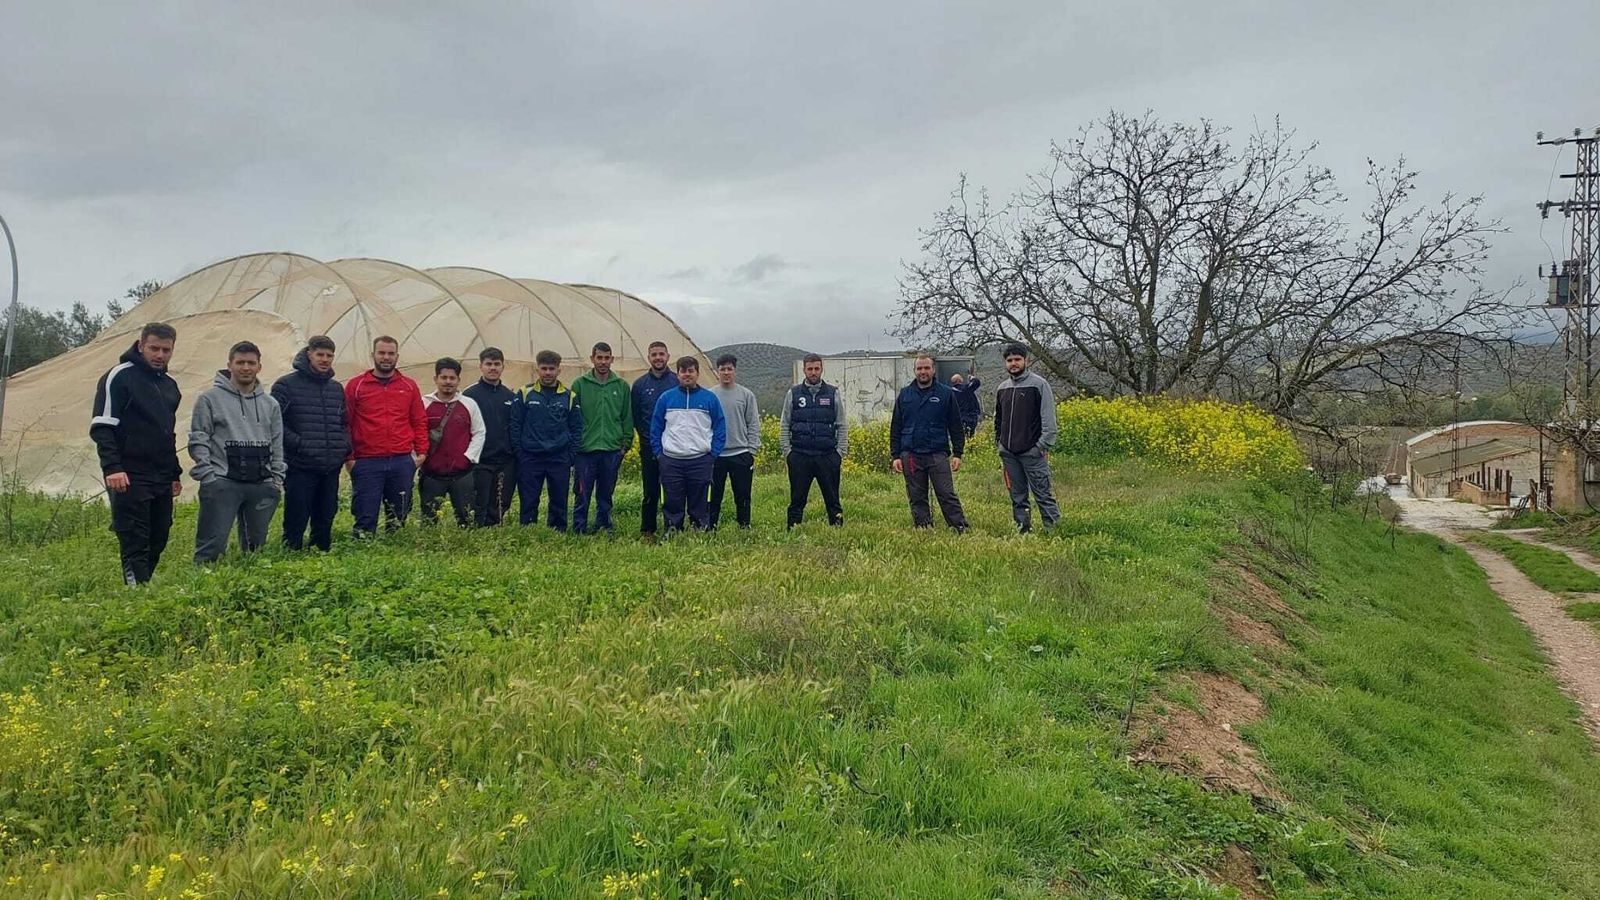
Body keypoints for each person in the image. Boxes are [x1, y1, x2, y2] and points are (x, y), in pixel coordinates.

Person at [90, 322, 183, 585]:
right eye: (154, 348)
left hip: (161, 474)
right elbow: (102, 427)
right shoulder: (119, 376)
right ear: (141, 345)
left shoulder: (170, 386)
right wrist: (112, 468)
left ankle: (143, 585)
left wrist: (174, 473)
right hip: (129, 473)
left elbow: (168, 433)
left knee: (159, 535)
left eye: (166, 350)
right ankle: (137, 592)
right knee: (135, 537)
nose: (160, 355)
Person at [189, 341, 286, 563]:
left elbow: (277, 443)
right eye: (240, 362)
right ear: (229, 365)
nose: (245, 367)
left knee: (256, 547)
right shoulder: (209, 399)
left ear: (259, 367)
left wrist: (276, 479)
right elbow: (199, 438)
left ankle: (251, 586)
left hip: (261, 484)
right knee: (211, 545)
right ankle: (203, 588)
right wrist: (208, 476)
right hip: (222, 482)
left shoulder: (270, 405)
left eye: (251, 363)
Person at [344, 335, 429, 536]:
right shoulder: (356, 386)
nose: (386, 357)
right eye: (382, 353)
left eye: (391, 353)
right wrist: (349, 458)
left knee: (399, 514)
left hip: (400, 460)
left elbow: (418, 420)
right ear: (373, 355)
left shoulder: (408, 386)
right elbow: (346, 423)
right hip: (367, 461)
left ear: (397, 356)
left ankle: (395, 553)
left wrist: (422, 452)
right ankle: (363, 552)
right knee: (365, 514)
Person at [271, 335, 349, 551]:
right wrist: (299, 444)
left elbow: (343, 422)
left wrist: (342, 446)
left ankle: (321, 553)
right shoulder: (286, 385)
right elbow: (275, 424)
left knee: (326, 515)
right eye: (320, 355)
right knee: (296, 515)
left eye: (329, 356)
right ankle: (291, 554)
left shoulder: (336, 389)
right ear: (309, 354)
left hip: (330, 464)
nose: (325, 359)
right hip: (300, 465)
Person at [890, 355, 969, 531]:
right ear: (915, 371)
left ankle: (959, 526)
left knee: (946, 493)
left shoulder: (945, 393)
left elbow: (955, 425)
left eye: (926, 368)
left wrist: (958, 453)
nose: (923, 372)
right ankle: (923, 525)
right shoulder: (905, 394)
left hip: (937, 452)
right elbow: (896, 426)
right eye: (919, 368)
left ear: (933, 370)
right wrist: (895, 455)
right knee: (916, 494)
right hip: (910, 453)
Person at [650, 356, 726, 532]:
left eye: (691, 371)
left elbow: (720, 427)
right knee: (672, 499)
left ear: (697, 374)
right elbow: (656, 427)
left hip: (700, 460)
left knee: (699, 500)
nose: (687, 375)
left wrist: (713, 454)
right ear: (677, 375)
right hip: (671, 460)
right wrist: (659, 454)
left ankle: (700, 530)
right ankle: (673, 530)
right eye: (683, 371)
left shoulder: (709, 399)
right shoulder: (666, 398)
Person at [511, 350, 583, 531]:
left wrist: (570, 456)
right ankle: (528, 532)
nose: (548, 373)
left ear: (559, 370)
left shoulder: (569, 396)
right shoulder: (525, 393)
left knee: (559, 499)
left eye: (552, 369)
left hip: (559, 458)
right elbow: (515, 425)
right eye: (544, 368)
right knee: (528, 499)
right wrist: (520, 452)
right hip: (530, 457)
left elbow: (576, 428)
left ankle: (557, 532)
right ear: (537, 369)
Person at [994, 343, 1060, 533]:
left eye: (1017, 359)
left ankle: (1053, 530)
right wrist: (1000, 445)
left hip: (1032, 452)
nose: (1013, 364)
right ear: (1005, 363)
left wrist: (1041, 446)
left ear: (1026, 360)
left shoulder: (1039, 385)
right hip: (1009, 453)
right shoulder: (1002, 388)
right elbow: (999, 420)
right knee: (1017, 495)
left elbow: (1049, 420)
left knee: (1043, 494)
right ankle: (1023, 529)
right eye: (1009, 360)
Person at [780, 353, 847, 528]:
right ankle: (793, 532)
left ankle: (838, 532)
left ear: (821, 369)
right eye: (810, 369)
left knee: (833, 500)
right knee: (797, 500)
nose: (813, 372)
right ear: (804, 370)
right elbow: (784, 424)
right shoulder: (793, 394)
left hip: (827, 456)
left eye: (817, 368)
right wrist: (788, 452)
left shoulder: (833, 393)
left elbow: (841, 424)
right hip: (800, 456)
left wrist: (840, 453)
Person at [571, 342, 632, 534]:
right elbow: (572, 417)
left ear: (612, 360)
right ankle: (579, 527)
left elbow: (626, 417)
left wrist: (625, 444)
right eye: (599, 358)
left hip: (611, 449)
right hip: (585, 450)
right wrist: (575, 444)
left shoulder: (621, 386)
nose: (603, 362)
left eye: (607, 358)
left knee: (606, 492)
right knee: (582, 492)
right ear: (592, 359)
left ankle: (604, 525)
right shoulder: (580, 385)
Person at [419, 357, 486, 527]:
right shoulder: (424, 404)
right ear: (436, 379)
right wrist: (420, 458)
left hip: (462, 474)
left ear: (458, 380)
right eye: (444, 377)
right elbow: (416, 432)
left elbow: (479, 432)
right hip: (432, 474)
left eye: (452, 378)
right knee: (429, 519)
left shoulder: (469, 404)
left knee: (467, 520)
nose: (448, 382)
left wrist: (468, 457)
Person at [462, 347, 516, 526]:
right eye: (488, 364)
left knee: (501, 502)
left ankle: (494, 530)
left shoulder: (510, 396)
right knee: (479, 501)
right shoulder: (469, 395)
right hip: (480, 460)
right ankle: (476, 531)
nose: (492, 368)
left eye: (496, 364)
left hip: (505, 460)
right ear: (481, 366)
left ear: (502, 366)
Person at [631, 341, 678, 538]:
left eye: (661, 354)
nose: (658, 358)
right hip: (649, 446)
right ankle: (648, 530)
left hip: (674, 447)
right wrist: (646, 438)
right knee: (650, 490)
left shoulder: (677, 381)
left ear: (668, 356)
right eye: (654, 354)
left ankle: (672, 527)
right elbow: (635, 415)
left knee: (672, 489)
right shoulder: (640, 385)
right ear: (648, 357)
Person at [709, 353, 760, 529]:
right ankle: (711, 526)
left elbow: (753, 423)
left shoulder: (746, 395)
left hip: (740, 453)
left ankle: (744, 526)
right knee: (714, 495)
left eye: (729, 369)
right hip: (717, 455)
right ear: (718, 372)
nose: (726, 372)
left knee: (743, 494)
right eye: (722, 369)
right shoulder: (710, 395)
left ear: (735, 371)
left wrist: (751, 450)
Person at [951, 372, 982, 438]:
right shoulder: (965, 389)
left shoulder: (951, 392)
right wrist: (972, 378)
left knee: (961, 436)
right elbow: (976, 383)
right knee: (970, 436)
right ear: (959, 380)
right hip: (969, 417)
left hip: (959, 417)